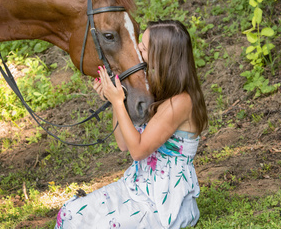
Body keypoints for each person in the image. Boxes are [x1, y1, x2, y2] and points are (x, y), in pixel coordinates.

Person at [55, 19, 208, 229]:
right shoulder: (159, 90)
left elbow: (137, 151)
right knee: (70, 213)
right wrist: (118, 100)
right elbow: (123, 144)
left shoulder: (180, 102)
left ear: (161, 55)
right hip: (136, 186)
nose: (137, 50)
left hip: (163, 201)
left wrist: (118, 102)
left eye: (143, 47)